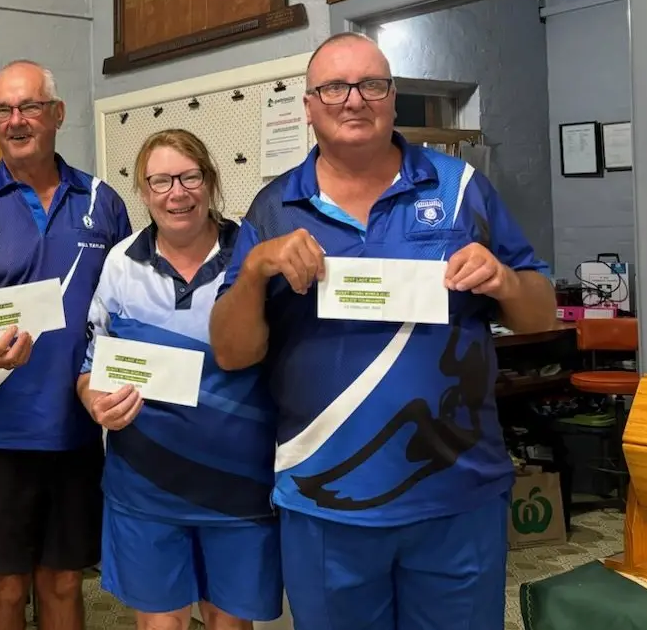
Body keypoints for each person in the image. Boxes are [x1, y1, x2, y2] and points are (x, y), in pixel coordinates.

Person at [210, 33, 557, 630]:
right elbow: (231, 352)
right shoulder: (273, 208)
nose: (354, 100)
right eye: (333, 88)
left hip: (456, 494)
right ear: (309, 106)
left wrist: (502, 280)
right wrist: (254, 269)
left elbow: (541, 314)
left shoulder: (459, 188)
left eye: (371, 85)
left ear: (393, 98)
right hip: (325, 497)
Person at [0, 59, 132, 630]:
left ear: (58, 114)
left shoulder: (103, 202)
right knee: (2, 587)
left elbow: (123, 309)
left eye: (29, 107)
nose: (15, 120)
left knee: (65, 582)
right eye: (3, 110)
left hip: (77, 429)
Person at [77, 130, 281, 630]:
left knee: (228, 623)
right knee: (160, 624)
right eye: (161, 181)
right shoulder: (121, 263)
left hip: (240, 486)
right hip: (145, 486)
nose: (177, 193)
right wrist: (95, 401)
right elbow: (92, 364)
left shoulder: (254, 253)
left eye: (190, 177)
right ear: (143, 192)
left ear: (209, 181)